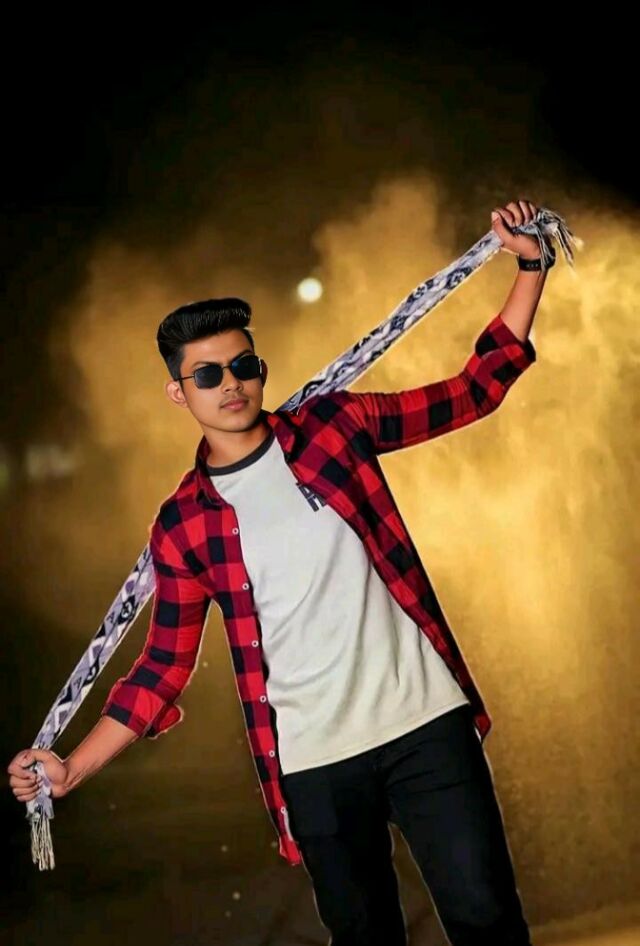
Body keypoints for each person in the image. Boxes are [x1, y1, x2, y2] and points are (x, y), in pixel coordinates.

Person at [8, 199, 550, 945]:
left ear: (259, 369)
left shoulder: (335, 427)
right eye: (207, 375)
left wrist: (530, 265)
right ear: (179, 393)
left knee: (490, 924)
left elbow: (471, 393)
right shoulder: (183, 523)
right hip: (313, 764)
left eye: (243, 365)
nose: (230, 384)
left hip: (425, 725)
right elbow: (161, 669)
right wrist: (70, 769)